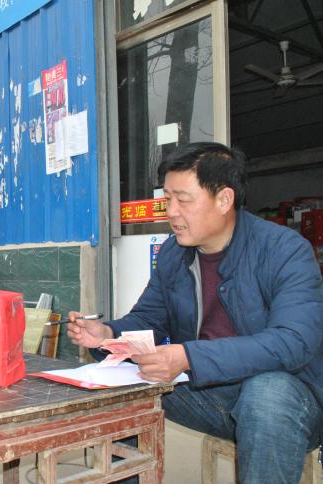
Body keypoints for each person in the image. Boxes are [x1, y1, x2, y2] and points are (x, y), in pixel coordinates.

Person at [67, 142, 323, 484]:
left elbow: (294, 342)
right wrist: (108, 335)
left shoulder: (284, 250)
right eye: (167, 199)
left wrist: (188, 355)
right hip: (209, 392)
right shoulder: (175, 253)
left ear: (224, 199)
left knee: (267, 393)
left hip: (290, 404)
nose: (171, 212)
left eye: (183, 200)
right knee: (124, 391)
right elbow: (147, 320)